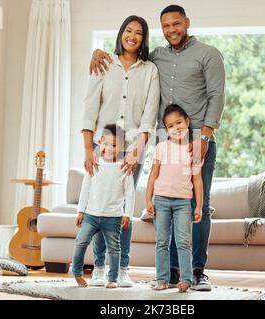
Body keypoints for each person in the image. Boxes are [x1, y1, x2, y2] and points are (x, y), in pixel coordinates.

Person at [90, 5, 226, 291]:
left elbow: (216, 95)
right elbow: (129, 61)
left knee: (196, 205)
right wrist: (97, 53)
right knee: (167, 204)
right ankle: (173, 272)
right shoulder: (155, 59)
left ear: (187, 22)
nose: (172, 30)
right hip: (165, 143)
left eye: (176, 24)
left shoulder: (209, 54)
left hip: (197, 140)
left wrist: (204, 136)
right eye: (166, 26)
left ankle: (198, 271)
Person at [81, 15, 160, 287]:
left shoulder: (150, 70)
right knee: (99, 207)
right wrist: (88, 150)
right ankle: (100, 267)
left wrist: (138, 151)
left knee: (122, 209)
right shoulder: (104, 63)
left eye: (139, 32)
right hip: (101, 147)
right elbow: (90, 109)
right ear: (121, 33)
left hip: (131, 149)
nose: (132, 36)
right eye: (128, 30)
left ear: (144, 38)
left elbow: (150, 115)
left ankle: (122, 267)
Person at [146, 104, 203, 293]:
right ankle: (161, 279)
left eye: (179, 122)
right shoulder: (161, 147)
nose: (176, 127)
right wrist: (148, 200)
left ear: (187, 122)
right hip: (161, 200)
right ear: (166, 130)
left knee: (183, 241)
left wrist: (199, 206)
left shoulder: (192, 150)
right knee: (162, 241)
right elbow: (153, 175)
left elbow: (197, 180)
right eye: (170, 126)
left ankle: (186, 279)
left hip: (183, 203)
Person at [72, 125, 135, 288]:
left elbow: (130, 193)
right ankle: (79, 273)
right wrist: (81, 210)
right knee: (81, 242)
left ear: (122, 148)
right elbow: (85, 188)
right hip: (91, 215)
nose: (108, 148)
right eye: (105, 143)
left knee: (114, 248)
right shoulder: (93, 164)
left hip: (113, 217)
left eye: (114, 145)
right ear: (99, 142)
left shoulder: (124, 168)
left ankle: (113, 279)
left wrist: (127, 214)